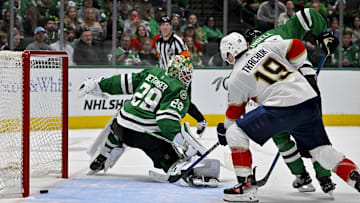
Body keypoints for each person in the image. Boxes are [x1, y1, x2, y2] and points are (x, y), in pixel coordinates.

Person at [216, 32, 360, 202]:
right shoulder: (265, 47)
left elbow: (234, 113)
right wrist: (294, 69)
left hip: (281, 108)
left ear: (229, 54)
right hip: (308, 99)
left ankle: (246, 187)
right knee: (321, 150)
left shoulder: (236, 77)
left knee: (235, 133)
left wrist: (224, 131)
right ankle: (354, 177)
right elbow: (297, 46)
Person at [78, 55, 220, 187]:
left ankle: (106, 151)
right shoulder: (178, 89)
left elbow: (123, 82)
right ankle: (176, 167)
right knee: (168, 153)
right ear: (177, 72)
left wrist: (99, 84)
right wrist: (183, 143)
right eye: (185, 73)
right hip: (143, 136)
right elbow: (166, 121)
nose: (187, 76)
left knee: (123, 116)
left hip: (120, 127)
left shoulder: (153, 72)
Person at [156, 16, 207, 136]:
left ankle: (201, 120)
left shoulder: (177, 41)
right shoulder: (158, 42)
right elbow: (160, 59)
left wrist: (181, 76)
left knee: (184, 101)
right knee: (165, 100)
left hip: (182, 76)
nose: (165, 27)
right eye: (163, 25)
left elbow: (186, 58)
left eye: (167, 24)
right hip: (167, 77)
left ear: (170, 26)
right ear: (160, 27)